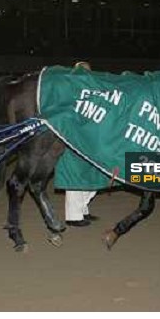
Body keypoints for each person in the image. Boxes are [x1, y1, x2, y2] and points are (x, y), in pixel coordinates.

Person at [65, 61, 99, 227]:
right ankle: (73, 216)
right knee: (75, 176)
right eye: (84, 72)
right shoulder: (71, 91)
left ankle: (82, 209)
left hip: (89, 138)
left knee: (93, 173)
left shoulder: (92, 90)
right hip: (75, 138)